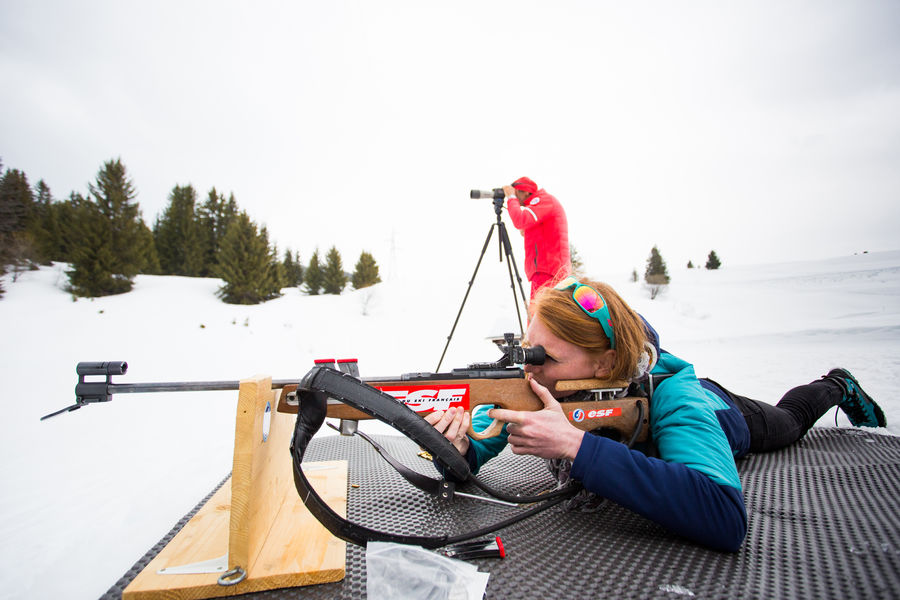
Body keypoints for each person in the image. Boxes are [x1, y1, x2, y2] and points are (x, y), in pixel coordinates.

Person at [425, 276, 887, 552]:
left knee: (789, 421)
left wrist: (575, 446)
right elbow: (476, 451)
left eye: (547, 358)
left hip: (722, 412)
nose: (531, 368)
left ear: (604, 363)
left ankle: (835, 385)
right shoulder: (539, 381)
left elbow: (724, 517)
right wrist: (456, 446)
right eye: (530, 348)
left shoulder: (672, 392)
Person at [502, 177, 570, 299]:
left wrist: (511, 198)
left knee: (538, 315)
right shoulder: (544, 202)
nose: (516, 198)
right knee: (542, 315)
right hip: (551, 269)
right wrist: (528, 231)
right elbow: (545, 230)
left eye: (516, 193)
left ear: (526, 192)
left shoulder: (543, 200)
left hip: (548, 271)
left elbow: (520, 221)